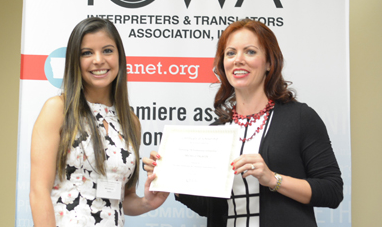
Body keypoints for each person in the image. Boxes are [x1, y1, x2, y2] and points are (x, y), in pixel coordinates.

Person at [143, 19, 343, 227]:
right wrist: (173, 178)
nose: (238, 60)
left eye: (250, 51)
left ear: (269, 62)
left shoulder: (300, 117)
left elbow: (332, 191)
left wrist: (273, 179)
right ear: (223, 64)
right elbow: (210, 207)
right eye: (230, 53)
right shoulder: (217, 132)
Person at [30, 17, 168, 227]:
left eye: (107, 50)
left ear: (119, 57)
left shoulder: (131, 121)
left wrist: (148, 202)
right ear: (75, 61)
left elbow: (123, 198)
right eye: (87, 53)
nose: (98, 60)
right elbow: (38, 191)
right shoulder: (58, 109)